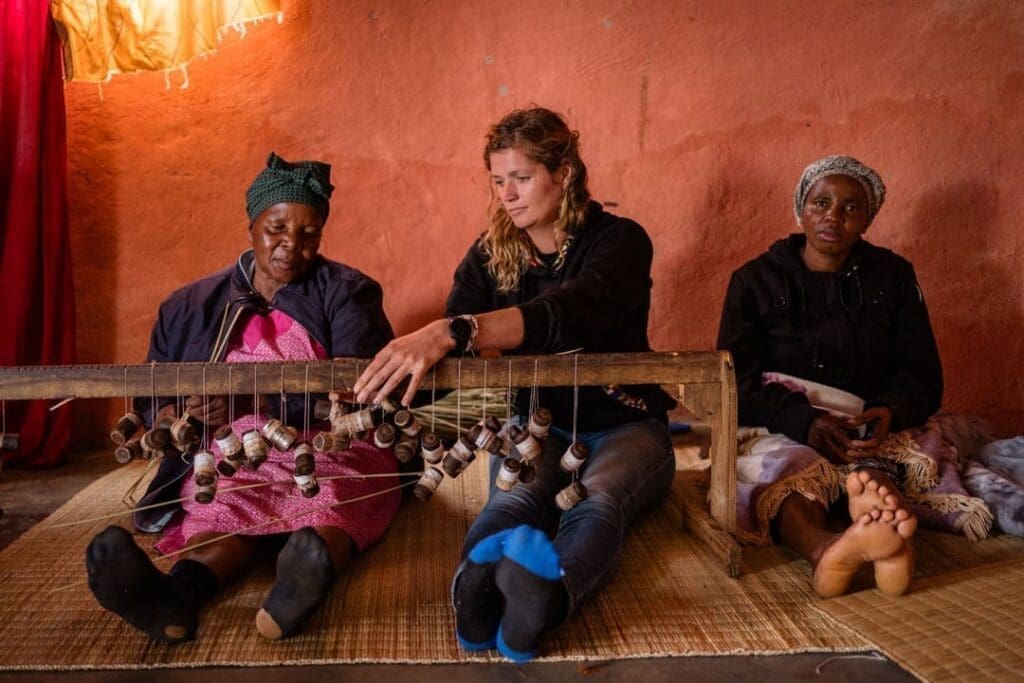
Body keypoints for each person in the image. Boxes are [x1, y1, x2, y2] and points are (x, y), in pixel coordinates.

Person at [353, 107, 676, 662]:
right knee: (516, 497)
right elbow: (454, 354)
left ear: (564, 174)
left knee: (597, 501)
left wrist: (457, 329)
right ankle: (474, 597)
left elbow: (569, 313)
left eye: (521, 177)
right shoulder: (489, 255)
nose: (507, 194)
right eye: (498, 180)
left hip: (625, 423)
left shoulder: (620, 241)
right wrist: (375, 392)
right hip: (539, 424)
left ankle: (541, 601)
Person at [85, 152, 400, 643]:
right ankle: (176, 597)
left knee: (332, 498)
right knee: (224, 503)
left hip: (326, 445)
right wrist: (176, 415)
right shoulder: (189, 305)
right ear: (252, 224)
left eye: (309, 234)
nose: (292, 246)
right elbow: (153, 390)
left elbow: (360, 391)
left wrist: (258, 405)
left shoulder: (349, 293)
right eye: (277, 229)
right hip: (232, 451)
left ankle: (305, 571)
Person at [717, 155, 946, 598]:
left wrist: (888, 411)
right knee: (787, 480)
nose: (833, 217)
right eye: (821, 203)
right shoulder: (754, 281)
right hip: (779, 422)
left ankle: (883, 531)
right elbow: (732, 384)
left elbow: (923, 374)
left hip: (862, 423)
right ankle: (825, 551)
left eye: (851, 208)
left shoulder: (893, 276)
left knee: (875, 470)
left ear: (868, 219)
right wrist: (804, 422)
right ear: (800, 209)